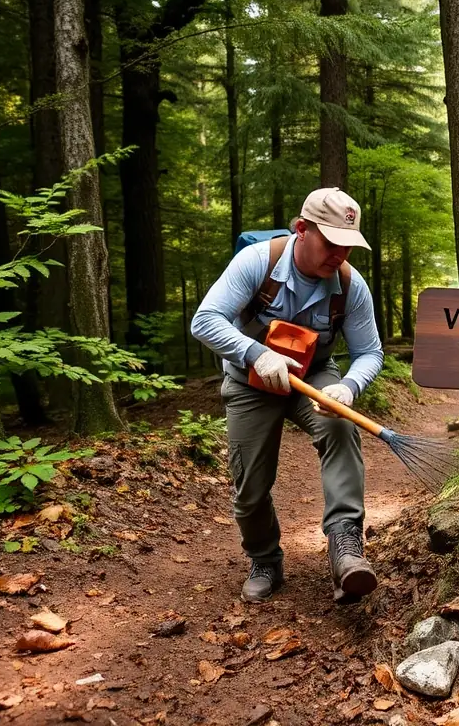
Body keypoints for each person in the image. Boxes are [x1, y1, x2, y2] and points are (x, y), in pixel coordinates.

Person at [191, 187, 384, 605]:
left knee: (339, 426)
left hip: (314, 376)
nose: (340, 255)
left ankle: (345, 548)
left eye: (348, 246)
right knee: (250, 484)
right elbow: (204, 320)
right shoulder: (258, 263)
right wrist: (256, 354)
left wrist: (348, 386)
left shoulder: (351, 286)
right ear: (302, 229)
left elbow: (370, 352)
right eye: (331, 243)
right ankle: (265, 560)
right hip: (250, 380)